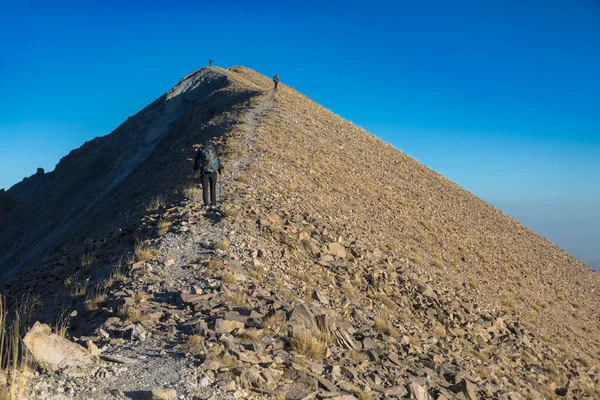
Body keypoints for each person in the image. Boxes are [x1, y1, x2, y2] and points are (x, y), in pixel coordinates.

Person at [193, 139, 222, 209]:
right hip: (213, 172)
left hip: (204, 173)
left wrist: (195, 169)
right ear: (209, 143)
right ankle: (213, 204)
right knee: (213, 188)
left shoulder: (201, 151)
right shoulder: (213, 150)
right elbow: (217, 160)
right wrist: (219, 170)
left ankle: (206, 204)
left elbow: (197, 161)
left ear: (203, 144)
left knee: (205, 188)